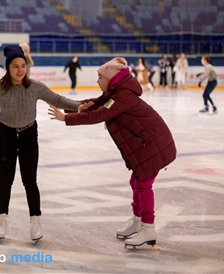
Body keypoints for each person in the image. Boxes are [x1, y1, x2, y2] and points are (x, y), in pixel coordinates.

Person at [0, 45, 90, 242]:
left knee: (30, 181)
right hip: (6, 136)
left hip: (29, 135)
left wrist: (78, 106)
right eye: (15, 66)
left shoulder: (35, 87)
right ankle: (2, 220)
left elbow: (56, 98)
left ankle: (35, 221)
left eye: (23, 66)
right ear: (8, 68)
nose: (20, 70)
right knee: (5, 181)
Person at [48, 57, 176, 249]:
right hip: (146, 144)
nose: (97, 82)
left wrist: (66, 118)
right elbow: (95, 104)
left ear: (111, 78)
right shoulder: (115, 92)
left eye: (100, 77)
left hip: (152, 145)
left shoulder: (121, 96)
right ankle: (138, 220)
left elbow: (99, 114)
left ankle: (148, 227)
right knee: (136, 182)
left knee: (142, 185)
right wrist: (75, 107)